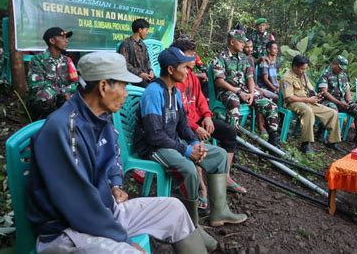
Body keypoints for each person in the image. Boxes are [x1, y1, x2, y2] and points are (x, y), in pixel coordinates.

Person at [27, 52, 206, 254]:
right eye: (122, 85)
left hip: (104, 213)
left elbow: (112, 155)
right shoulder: (65, 129)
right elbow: (79, 205)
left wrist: (115, 183)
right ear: (103, 87)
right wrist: (124, 241)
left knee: (174, 209)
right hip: (68, 232)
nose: (126, 93)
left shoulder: (101, 116)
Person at [134, 46, 248, 251]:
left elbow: (183, 126)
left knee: (220, 155)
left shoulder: (174, 92)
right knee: (188, 169)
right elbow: (154, 135)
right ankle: (191, 229)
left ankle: (219, 211)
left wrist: (195, 143)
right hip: (153, 147)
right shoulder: (154, 92)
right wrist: (186, 151)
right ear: (170, 70)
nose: (188, 71)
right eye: (184, 67)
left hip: (171, 142)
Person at [172, 35, 247, 198]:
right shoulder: (174, 79)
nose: (194, 57)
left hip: (197, 120)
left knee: (229, 132)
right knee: (196, 143)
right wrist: (195, 127)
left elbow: (201, 100)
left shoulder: (191, 75)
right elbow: (178, 115)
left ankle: (225, 176)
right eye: (191, 53)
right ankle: (201, 189)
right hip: (185, 125)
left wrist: (206, 116)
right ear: (179, 55)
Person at [212, 29, 281, 147]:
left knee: (271, 105)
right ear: (232, 42)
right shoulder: (220, 58)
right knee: (234, 105)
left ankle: (273, 141)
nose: (244, 44)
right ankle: (231, 143)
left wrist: (252, 93)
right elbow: (219, 82)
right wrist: (238, 92)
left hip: (245, 90)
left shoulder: (244, 58)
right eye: (241, 42)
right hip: (227, 91)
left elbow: (250, 78)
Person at [280, 55, 342, 154]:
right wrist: (308, 100)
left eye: (305, 68)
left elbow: (310, 88)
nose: (304, 71)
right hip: (294, 103)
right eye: (302, 69)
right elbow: (289, 98)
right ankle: (306, 143)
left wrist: (316, 95)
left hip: (307, 101)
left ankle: (332, 141)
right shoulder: (287, 77)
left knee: (332, 113)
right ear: (295, 67)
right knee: (308, 111)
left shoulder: (303, 75)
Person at [27, 27, 79, 120]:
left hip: (62, 100)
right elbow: (37, 86)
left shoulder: (67, 60)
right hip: (45, 103)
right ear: (52, 40)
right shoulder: (38, 60)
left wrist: (67, 93)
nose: (66, 41)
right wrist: (63, 92)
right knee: (46, 95)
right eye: (63, 38)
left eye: (66, 38)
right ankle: (43, 122)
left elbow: (75, 82)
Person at [316, 55, 357, 140]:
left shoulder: (343, 75)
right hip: (326, 101)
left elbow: (347, 90)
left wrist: (349, 102)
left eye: (343, 68)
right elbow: (324, 92)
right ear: (334, 64)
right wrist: (339, 103)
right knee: (333, 109)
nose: (341, 70)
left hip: (341, 102)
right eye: (340, 68)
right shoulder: (325, 74)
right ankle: (324, 136)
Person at [118, 18, 155, 88]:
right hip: (134, 77)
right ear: (140, 30)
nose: (147, 32)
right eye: (146, 30)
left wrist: (151, 71)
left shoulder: (143, 44)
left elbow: (147, 61)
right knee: (151, 88)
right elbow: (124, 63)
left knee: (161, 84)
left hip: (146, 76)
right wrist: (140, 74)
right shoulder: (126, 44)